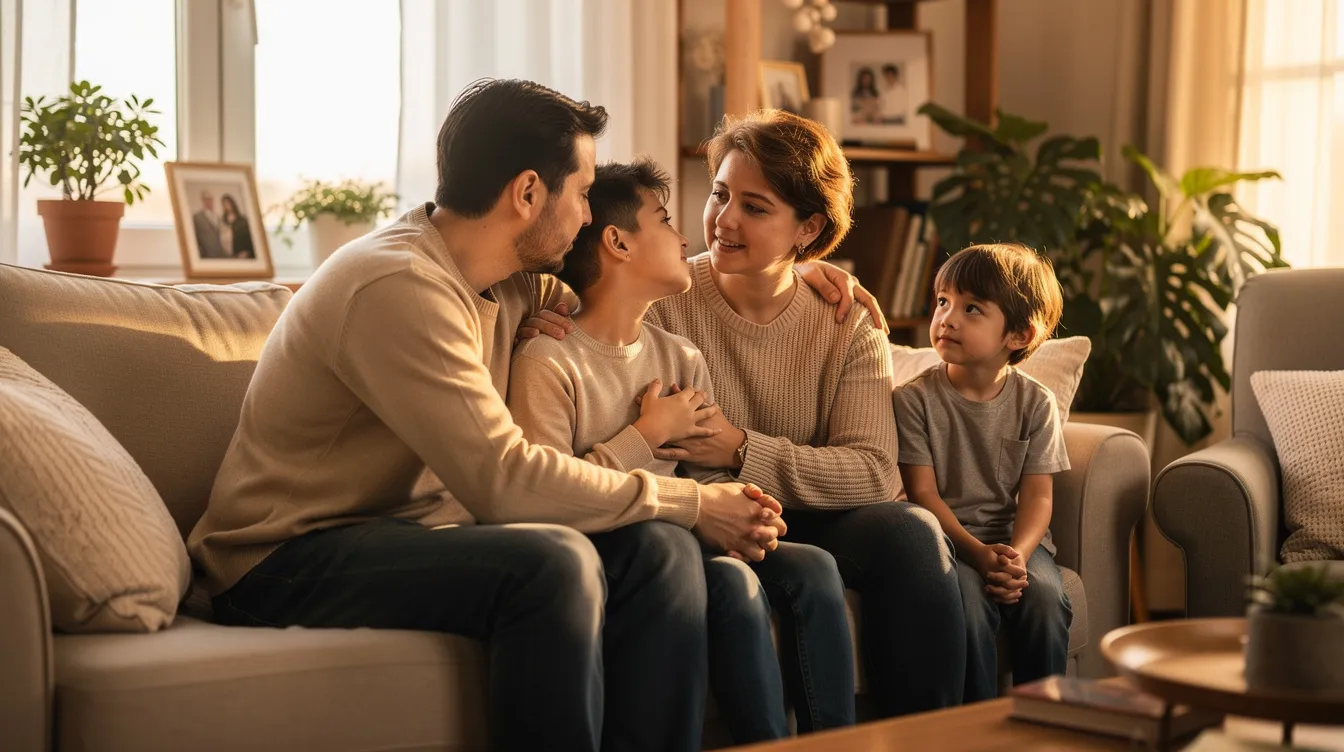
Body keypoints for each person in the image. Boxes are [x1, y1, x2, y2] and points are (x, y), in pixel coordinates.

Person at [187, 78, 787, 752]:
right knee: (552, 562)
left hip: (400, 536)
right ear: (529, 193)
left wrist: (802, 275)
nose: (590, 218)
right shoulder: (400, 285)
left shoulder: (513, 280)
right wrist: (691, 502)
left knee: (656, 549)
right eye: (583, 193)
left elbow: (627, 286)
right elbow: (502, 481)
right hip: (280, 559)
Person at [522, 109, 966, 718]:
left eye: (755, 208)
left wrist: (740, 449)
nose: (722, 221)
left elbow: (874, 474)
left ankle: (932, 737)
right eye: (718, 194)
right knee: (793, 569)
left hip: (808, 515)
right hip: (707, 515)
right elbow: (594, 285)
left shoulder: (845, 319)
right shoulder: (665, 296)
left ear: (807, 228)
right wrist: (545, 300)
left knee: (913, 532)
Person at [507, 157, 853, 742]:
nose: (688, 235)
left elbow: (699, 472)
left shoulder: (680, 357)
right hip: (619, 544)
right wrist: (647, 435)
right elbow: (548, 496)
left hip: (682, 530)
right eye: (665, 221)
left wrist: (745, 508)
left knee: (812, 564)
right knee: (728, 582)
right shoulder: (547, 360)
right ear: (617, 241)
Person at [891, 243, 1072, 703]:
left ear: (1018, 334)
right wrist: (976, 552)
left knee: (1047, 602)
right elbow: (922, 494)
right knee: (968, 609)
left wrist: (1016, 555)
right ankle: (977, 728)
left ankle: (1044, 725)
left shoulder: (1036, 403)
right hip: (948, 542)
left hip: (1016, 542)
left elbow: (1038, 499)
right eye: (943, 302)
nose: (947, 318)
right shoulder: (913, 400)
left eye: (971, 308)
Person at [192, 191, 227, 258]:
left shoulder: (217, 217)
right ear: (203, 201)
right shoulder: (197, 217)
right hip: (206, 256)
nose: (209, 202)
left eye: (210, 199)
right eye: (206, 199)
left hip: (219, 255)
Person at [220, 194, 255, 259]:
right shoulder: (222, 222)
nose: (226, 206)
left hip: (243, 254)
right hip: (230, 256)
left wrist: (246, 252)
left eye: (228, 203)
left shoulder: (242, 220)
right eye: (224, 204)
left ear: (232, 204)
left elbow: (248, 238)